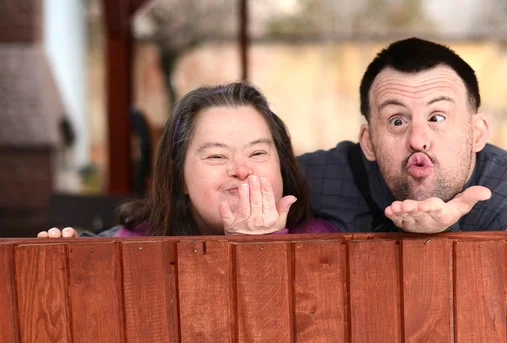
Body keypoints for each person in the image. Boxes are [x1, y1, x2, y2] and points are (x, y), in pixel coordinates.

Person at [298, 37, 507, 233]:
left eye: (437, 117)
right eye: (397, 120)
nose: (418, 139)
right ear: (368, 142)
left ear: (477, 133)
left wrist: (436, 238)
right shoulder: (319, 177)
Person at [38, 82, 337, 238]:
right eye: (217, 155)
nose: (241, 170)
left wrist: (262, 248)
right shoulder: (132, 246)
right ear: (179, 176)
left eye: (258, 153)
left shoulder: (325, 242)